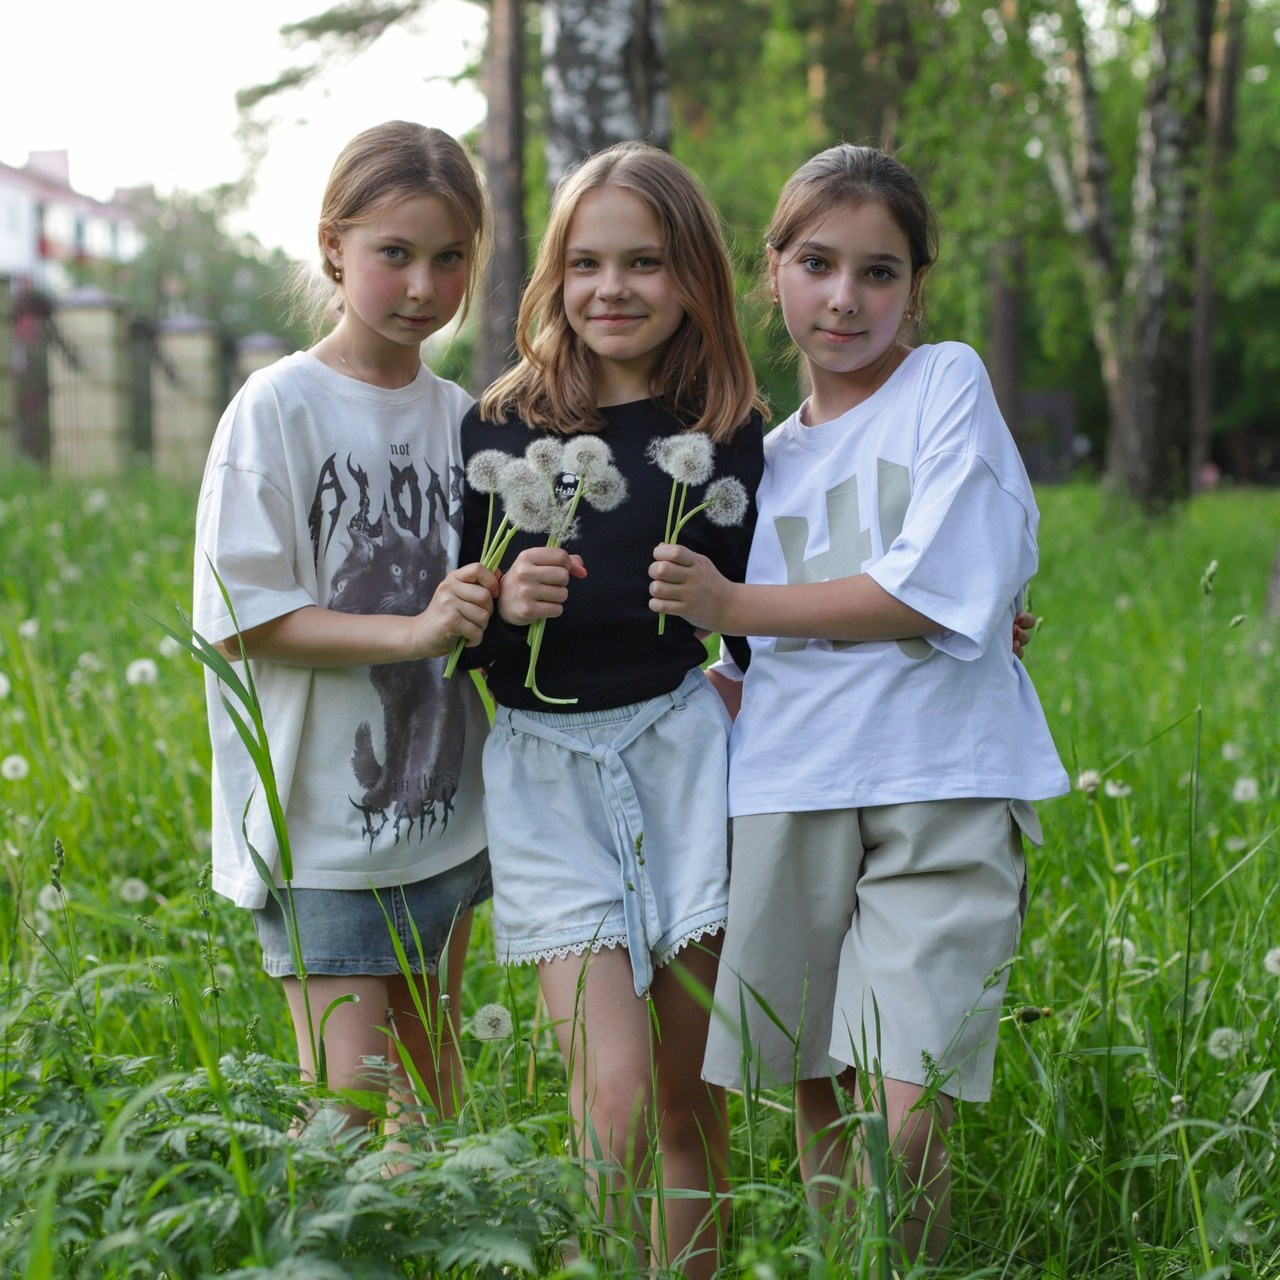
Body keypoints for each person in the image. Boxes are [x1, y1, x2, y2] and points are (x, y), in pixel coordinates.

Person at [648, 143, 1069, 1264]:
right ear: (771, 270)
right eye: (817, 263)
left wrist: (743, 599)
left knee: (910, 1088)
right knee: (818, 1088)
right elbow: (726, 651)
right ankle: (853, 1261)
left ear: (914, 289)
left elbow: (938, 583)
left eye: (878, 272)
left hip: (941, 781)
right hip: (789, 786)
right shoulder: (753, 459)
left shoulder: (944, 384)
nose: (845, 298)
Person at [456, 140, 765, 1279]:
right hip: (544, 773)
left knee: (687, 1101)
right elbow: (462, 634)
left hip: (686, 757)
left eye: (643, 261)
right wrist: (500, 606)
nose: (611, 289)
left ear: (691, 276)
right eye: (586, 262)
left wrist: (981, 612)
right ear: (553, 272)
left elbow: (764, 609)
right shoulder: (503, 425)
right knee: (617, 1096)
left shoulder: (726, 429)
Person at [193, 121, 499, 1132]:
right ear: (334, 247)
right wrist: (412, 631)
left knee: (434, 1100)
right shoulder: (275, 407)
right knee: (344, 1110)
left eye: (448, 257)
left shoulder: (465, 419)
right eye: (394, 254)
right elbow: (241, 619)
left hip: (444, 816)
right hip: (318, 825)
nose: (422, 284)